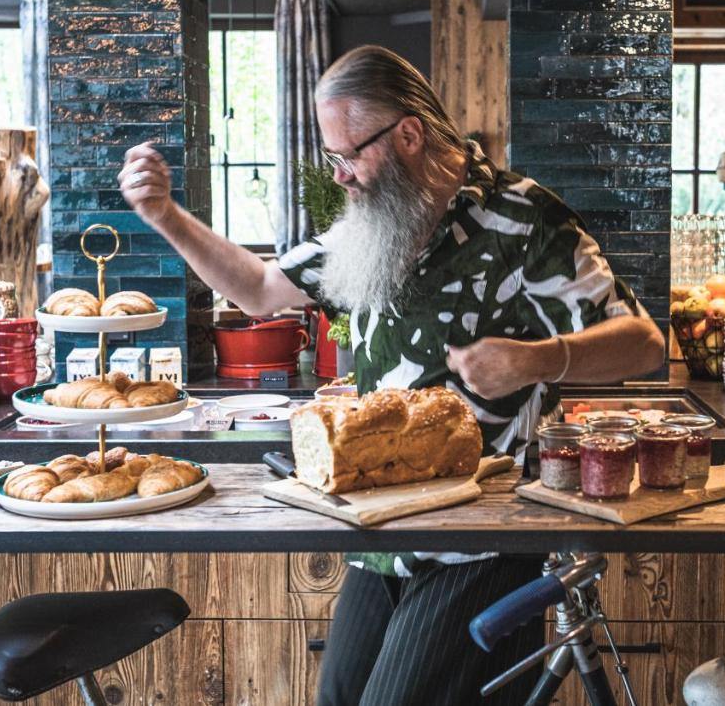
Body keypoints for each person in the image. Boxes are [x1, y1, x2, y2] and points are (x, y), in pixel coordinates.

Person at [118, 45, 666, 705]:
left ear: (409, 133)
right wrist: (166, 218)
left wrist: (539, 358)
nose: (342, 176)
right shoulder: (369, 223)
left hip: (482, 539)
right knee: (338, 699)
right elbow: (260, 289)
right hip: (379, 530)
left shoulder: (525, 220)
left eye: (351, 154)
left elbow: (643, 342)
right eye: (334, 159)